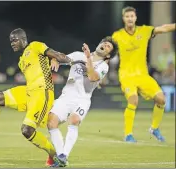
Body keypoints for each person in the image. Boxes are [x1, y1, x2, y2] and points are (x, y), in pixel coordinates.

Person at [0, 28, 74, 166]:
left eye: (15, 40)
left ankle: (53, 153)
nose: (12, 43)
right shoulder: (21, 60)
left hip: (42, 92)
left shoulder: (35, 46)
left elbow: (55, 54)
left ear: (23, 39)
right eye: (11, 41)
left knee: (27, 130)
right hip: (28, 92)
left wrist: (68, 60)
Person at [47, 37, 118, 167]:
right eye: (104, 43)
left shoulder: (103, 67)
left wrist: (88, 58)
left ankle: (64, 156)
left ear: (108, 55)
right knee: (51, 122)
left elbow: (92, 77)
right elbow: (61, 58)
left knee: (74, 120)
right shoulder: (78, 55)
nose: (105, 45)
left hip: (82, 99)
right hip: (66, 96)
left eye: (108, 47)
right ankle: (60, 155)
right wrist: (54, 59)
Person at [111, 6, 176, 142]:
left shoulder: (145, 31)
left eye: (132, 16)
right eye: (127, 16)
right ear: (123, 19)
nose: (130, 18)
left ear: (135, 18)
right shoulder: (117, 36)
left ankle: (154, 128)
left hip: (143, 75)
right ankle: (128, 134)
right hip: (126, 76)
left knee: (161, 99)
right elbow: (106, 52)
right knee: (133, 100)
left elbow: (163, 28)